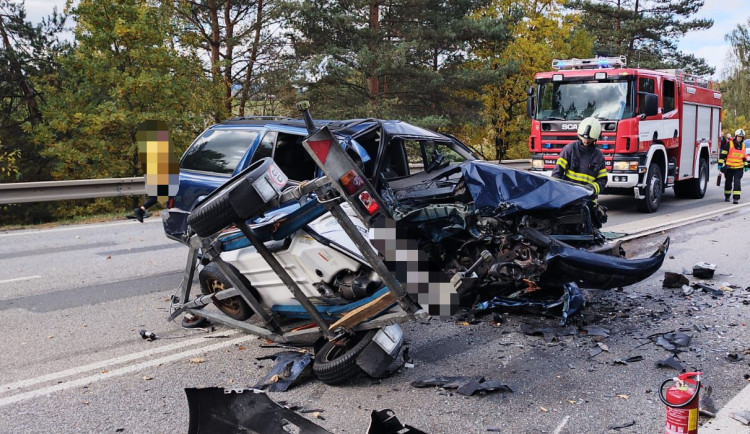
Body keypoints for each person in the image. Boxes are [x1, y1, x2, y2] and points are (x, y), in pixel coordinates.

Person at [552, 117, 608, 197]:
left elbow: (602, 180)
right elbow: (557, 174)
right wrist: (559, 191)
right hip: (568, 197)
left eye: (589, 138)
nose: (586, 140)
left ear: (596, 137)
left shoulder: (598, 156)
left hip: (587, 200)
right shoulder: (569, 149)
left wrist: (592, 188)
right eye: (584, 137)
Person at [718, 128, 749, 204]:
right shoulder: (729, 144)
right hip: (729, 167)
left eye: (741, 137)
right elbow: (723, 154)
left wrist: (746, 165)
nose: (740, 138)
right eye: (738, 136)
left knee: (737, 182)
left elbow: (744, 156)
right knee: (728, 182)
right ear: (736, 136)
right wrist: (720, 164)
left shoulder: (743, 145)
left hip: (739, 168)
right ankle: (727, 195)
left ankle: (736, 198)